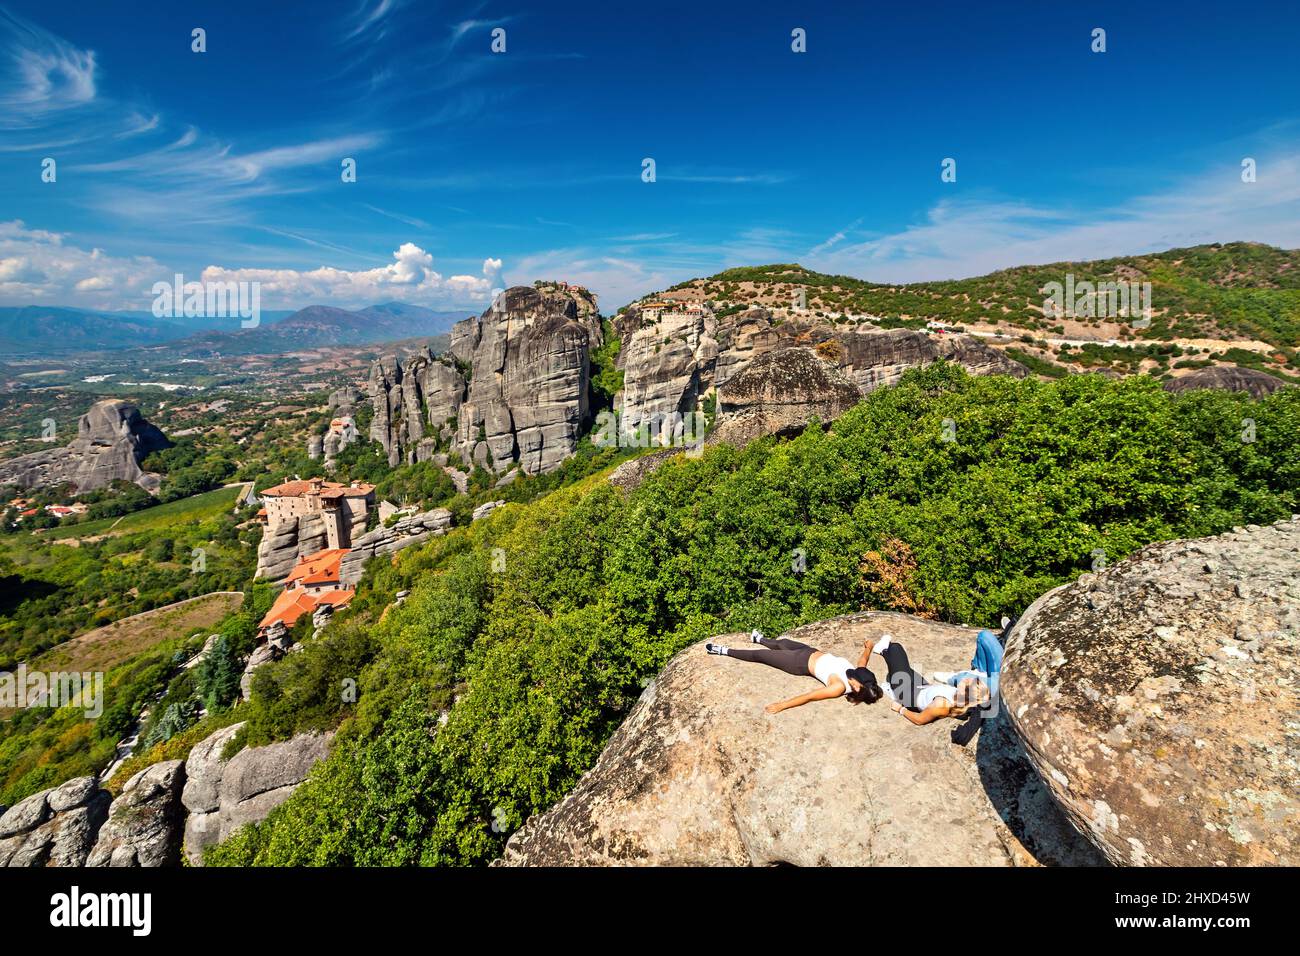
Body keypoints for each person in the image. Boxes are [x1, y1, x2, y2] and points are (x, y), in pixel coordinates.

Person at [706, 630, 883, 713]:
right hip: (809, 651)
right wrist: (868, 648)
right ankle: (759, 638)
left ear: (858, 689)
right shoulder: (862, 677)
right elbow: (862, 661)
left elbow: (809, 696)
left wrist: (781, 706)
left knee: (761, 655)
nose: (856, 673)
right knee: (782, 642)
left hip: (799, 663)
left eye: (857, 679)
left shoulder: (838, 687)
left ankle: (723, 650)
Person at [871, 633, 989, 725]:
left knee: (896, 648)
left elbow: (920, 720)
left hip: (907, 694)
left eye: (968, 682)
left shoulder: (941, 705)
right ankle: (885, 654)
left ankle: (881, 651)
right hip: (922, 687)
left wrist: (901, 709)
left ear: (966, 692)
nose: (967, 679)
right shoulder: (960, 698)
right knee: (903, 667)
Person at [930, 628, 1004, 700]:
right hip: (1007, 669)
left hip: (1004, 685)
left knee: (966, 682)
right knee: (984, 635)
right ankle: (979, 672)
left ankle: (953, 679)